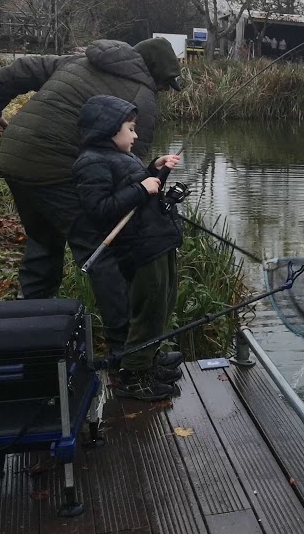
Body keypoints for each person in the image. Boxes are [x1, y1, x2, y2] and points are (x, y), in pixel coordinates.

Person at [0, 38, 183, 357]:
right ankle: (124, 348)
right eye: (166, 84)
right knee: (101, 253)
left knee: (44, 239)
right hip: (57, 170)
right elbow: (125, 167)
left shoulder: (79, 61)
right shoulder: (143, 97)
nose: (165, 91)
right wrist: (146, 187)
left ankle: (31, 325)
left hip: (14, 159)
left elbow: (18, 70)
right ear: (156, 75)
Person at [73, 94, 183, 401]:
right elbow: (100, 209)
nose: (135, 135)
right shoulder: (91, 162)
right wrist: (141, 187)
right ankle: (134, 376)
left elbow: (139, 187)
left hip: (157, 242)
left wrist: (156, 169)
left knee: (163, 304)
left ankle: (148, 359)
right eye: (130, 128)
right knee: (148, 310)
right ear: (108, 128)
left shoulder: (123, 157)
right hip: (139, 248)